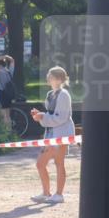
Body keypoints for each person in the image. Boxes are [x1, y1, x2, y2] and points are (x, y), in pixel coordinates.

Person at [30, 67, 74, 204]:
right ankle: (46, 192)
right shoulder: (50, 94)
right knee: (40, 164)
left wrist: (43, 116)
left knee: (59, 163)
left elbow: (61, 117)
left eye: (50, 76)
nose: (48, 78)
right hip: (50, 134)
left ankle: (59, 194)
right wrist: (40, 115)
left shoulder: (64, 94)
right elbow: (51, 115)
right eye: (48, 76)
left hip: (61, 134)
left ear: (59, 79)